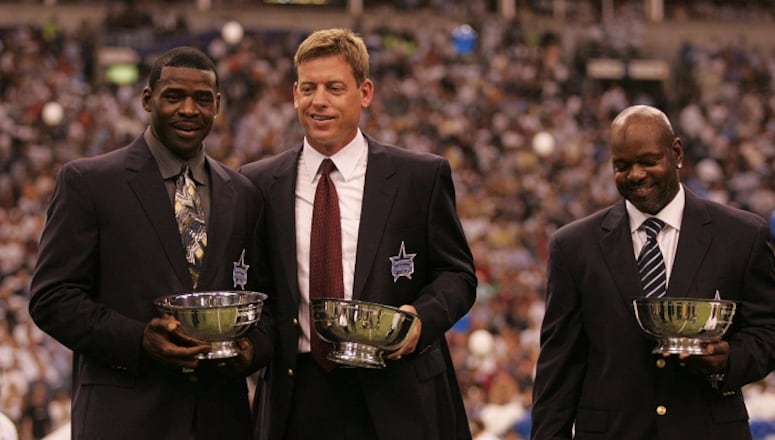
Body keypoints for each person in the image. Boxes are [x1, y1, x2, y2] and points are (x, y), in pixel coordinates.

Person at [240, 28, 476, 440]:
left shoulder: (419, 177)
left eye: (334, 88)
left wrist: (420, 320)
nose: (320, 101)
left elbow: (458, 275)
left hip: (398, 391)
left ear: (364, 92)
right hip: (297, 395)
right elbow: (257, 288)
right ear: (294, 94)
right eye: (309, 88)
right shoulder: (258, 183)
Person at [29, 46, 271, 440]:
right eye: (174, 96)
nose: (189, 110)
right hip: (125, 418)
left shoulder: (242, 193)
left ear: (218, 105)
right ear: (147, 99)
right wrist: (138, 340)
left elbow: (265, 301)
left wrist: (249, 351)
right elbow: (52, 298)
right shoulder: (89, 182)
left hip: (219, 419)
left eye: (202, 99)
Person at [530, 104, 775, 439]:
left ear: (677, 153)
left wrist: (729, 359)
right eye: (621, 166)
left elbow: (770, 331)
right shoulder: (574, 246)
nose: (635, 174)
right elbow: (559, 366)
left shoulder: (740, 235)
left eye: (647, 161)